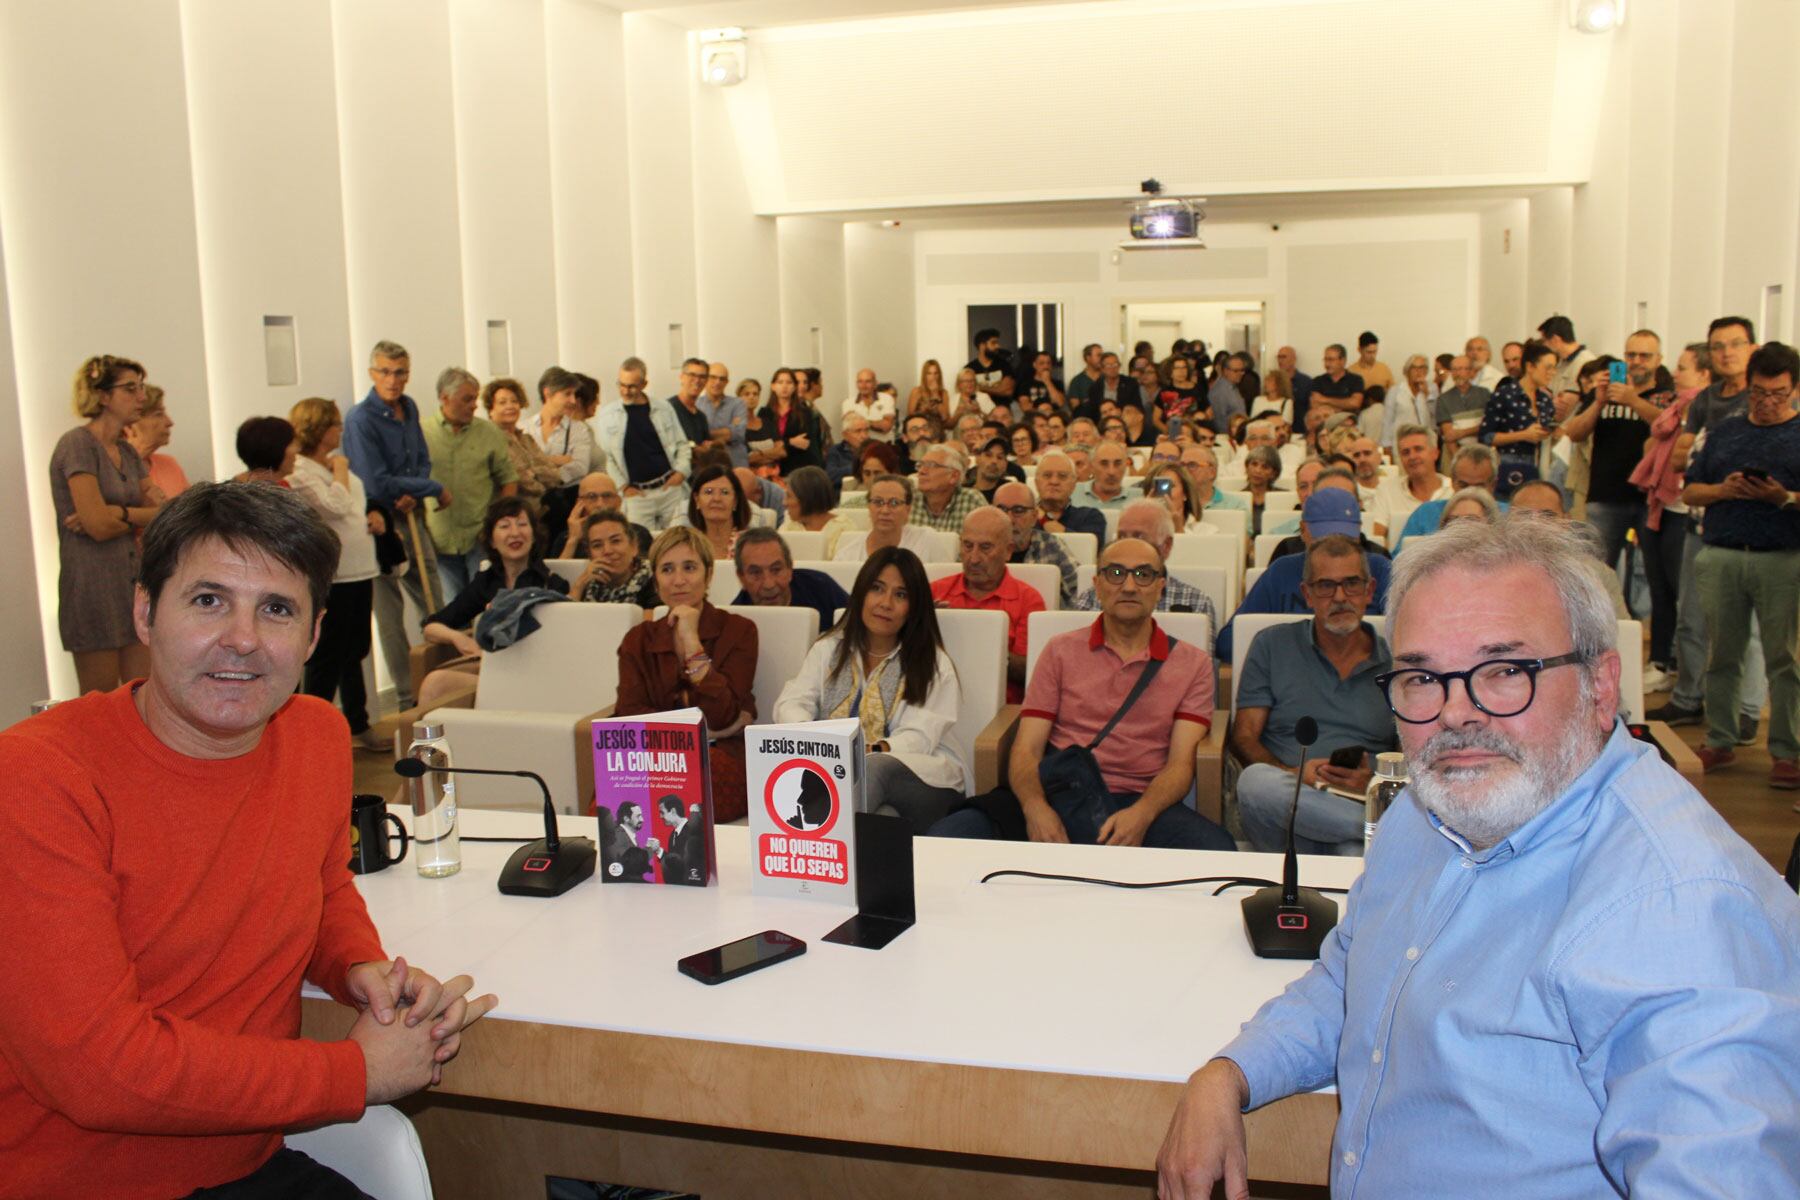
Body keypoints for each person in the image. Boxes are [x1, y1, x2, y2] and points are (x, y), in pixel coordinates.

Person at [1155, 515, 1800, 1200]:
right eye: (1421, 677)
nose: (1456, 714)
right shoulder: (1426, 810)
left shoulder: (1677, 905)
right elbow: (1353, 976)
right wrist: (1229, 1074)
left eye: (1504, 671)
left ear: (1601, 684)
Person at [0, 481, 495, 1198]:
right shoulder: (39, 777)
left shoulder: (316, 737)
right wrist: (352, 1075)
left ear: (314, 635)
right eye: (208, 601)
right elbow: (94, 1069)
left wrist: (356, 965)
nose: (242, 638)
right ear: (145, 611)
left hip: (246, 1165)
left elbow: (321, 883)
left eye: (276, 609)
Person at [929, 535, 1233, 850]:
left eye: (1143, 575)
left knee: (1219, 851)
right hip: (1060, 787)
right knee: (948, 836)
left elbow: (1180, 765)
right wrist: (1035, 809)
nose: (1129, 586)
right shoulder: (1060, 650)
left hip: (1142, 798)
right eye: (1115, 573)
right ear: (1097, 585)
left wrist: (1142, 814)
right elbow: (1027, 749)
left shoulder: (1191, 663)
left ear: (1161, 586)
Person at [774, 547, 969, 833]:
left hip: (925, 783)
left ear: (914, 607)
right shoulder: (829, 649)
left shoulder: (933, 662)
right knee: (883, 817)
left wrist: (863, 751)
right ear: (861, 593)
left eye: (901, 595)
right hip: (841, 776)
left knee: (874, 767)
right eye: (877, 589)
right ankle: (832, 862)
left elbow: (918, 738)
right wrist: (817, 739)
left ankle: (812, 843)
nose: (886, 603)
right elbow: (790, 703)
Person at [1232, 535, 1398, 856]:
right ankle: (1384, 830)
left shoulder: (1398, 659)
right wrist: (1293, 775)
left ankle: (1366, 830)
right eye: (1325, 586)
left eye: (1351, 584)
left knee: (1351, 854)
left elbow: (1412, 755)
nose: (1339, 597)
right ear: (1307, 594)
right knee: (1254, 783)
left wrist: (1371, 781)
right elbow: (1244, 738)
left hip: (1360, 795)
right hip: (1284, 807)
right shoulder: (1271, 645)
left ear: (1369, 591)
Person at [1682, 342, 1800, 788]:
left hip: (1782, 557)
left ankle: (1788, 752)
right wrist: (1724, 490)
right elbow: (1690, 492)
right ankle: (1720, 740)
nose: (1768, 403)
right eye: (1758, 393)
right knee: (1723, 654)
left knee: (1784, 659)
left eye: (1778, 394)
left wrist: (1783, 497)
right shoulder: (1725, 431)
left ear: (1795, 389)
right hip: (1724, 551)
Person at [615, 527, 759, 822]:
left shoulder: (740, 630)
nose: (679, 580)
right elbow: (629, 715)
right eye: (667, 569)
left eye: (689, 568)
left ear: (708, 575)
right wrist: (700, 733)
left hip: (719, 760)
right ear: (655, 580)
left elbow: (723, 715)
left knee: (681, 801)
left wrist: (692, 643)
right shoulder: (637, 640)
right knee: (614, 800)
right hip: (652, 761)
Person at [51, 354, 165, 693]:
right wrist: (121, 515)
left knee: (140, 694)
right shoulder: (77, 444)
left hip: (132, 582)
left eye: (141, 387)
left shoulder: (128, 453)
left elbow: (163, 513)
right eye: (130, 388)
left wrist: (117, 513)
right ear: (102, 396)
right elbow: (97, 525)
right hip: (91, 585)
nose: (141, 397)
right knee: (98, 702)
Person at [344, 339, 447, 708]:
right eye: (385, 371)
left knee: (433, 599)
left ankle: (445, 680)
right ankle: (408, 696)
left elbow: (421, 458)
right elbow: (374, 481)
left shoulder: (409, 406)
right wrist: (429, 488)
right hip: (381, 524)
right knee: (389, 614)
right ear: (372, 374)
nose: (393, 379)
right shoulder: (360, 419)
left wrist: (416, 491)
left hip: (411, 515)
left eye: (400, 372)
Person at [288, 397, 385, 751]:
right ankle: (311, 734)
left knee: (355, 649)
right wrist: (342, 468)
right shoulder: (300, 471)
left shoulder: (330, 465)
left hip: (361, 569)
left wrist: (374, 515)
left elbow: (355, 505)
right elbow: (336, 505)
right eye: (334, 424)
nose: (340, 430)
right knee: (327, 654)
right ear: (317, 428)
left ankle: (357, 724)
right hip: (335, 575)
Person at [415, 497, 570, 709]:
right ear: (491, 540)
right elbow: (431, 626)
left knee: (436, 685)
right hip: (492, 669)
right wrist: (459, 638)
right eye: (505, 526)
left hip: (531, 677)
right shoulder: (487, 581)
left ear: (534, 535)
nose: (515, 533)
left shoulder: (550, 585)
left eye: (522, 524)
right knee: (434, 685)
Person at [1216, 490, 1393, 661]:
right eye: (1323, 539)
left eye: (1345, 538)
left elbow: (1404, 637)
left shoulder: (1380, 568)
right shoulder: (1281, 571)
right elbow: (1230, 641)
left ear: (1360, 532)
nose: (1334, 547)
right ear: (1302, 530)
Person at [930, 507, 1046, 703]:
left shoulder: (1028, 600)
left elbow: (1032, 671)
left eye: (985, 548)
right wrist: (925, 629)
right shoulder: (934, 592)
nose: (973, 558)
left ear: (1008, 551)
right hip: (935, 701)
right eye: (967, 546)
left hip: (1001, 710)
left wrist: (976, 641)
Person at [1070, 499, 1218, 652]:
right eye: (1121, 536)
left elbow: (1200, 667)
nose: (1128, 545)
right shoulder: (1091, 597)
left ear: (1166, 546)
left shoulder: (1196, 602)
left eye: (1138, 537)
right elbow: (1078, 657)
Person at [423, 366, 519, 599]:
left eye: (475, 398)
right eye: (467, 399)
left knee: (485, 604)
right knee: (451, 608)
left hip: (480, 536)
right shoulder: (422, 433)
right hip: (438, 538)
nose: (474, 405)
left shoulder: (489, 433)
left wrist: (497, 523)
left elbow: (509, 480)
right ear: (445, 398)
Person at [595, 356, 691, 533]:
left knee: (679, 539)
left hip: (669, 488)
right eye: (621, 384)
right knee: (640, 546)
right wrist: (623, 487)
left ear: (644, 384)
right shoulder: (607, 414)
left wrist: (681, 473)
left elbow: (682, 444)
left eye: (631, 386)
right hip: (636, 495)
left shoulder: (663, 408)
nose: (625, 391)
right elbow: (607, 456)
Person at [1507, 479, 1629, 618]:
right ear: (1508, 521)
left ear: (1566, 521)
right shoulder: (1495, 572)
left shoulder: (1599, 575)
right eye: (1525, 515)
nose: (1536, 524)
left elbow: (1624, 634)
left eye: (1548, 515)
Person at [732, 527, 849, 633]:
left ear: (790, 569)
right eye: (756, 573)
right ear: (741, 578)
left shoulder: (821, 587)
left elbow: (858, 624)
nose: (769, 584)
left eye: (776, 570)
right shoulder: (734, 619)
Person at [1392, 443, 1505, 550]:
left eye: (1479, 487)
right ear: (1452, 482)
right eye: (1463, 485)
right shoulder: (1424, 514)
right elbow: (1397, 562)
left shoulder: (1510, 517)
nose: (1471, 493)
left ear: (1493, 485)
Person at [483, 376, 562, 511]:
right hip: (509, 513)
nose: (510, 406)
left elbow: (555, 476)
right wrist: (541, 482)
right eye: (502, 402)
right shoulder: (491, 441)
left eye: (514, 401)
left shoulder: (527, 439)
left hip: (540, 512)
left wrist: (532, 472)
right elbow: (520, 480)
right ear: (491, 410)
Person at [994, 481, 1078, 608]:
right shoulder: (976, 548)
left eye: (1018, 510)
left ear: (1034, 517)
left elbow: (1080, 596)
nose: (1009, 519)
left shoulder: (1052, 546)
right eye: (1001, 510)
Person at [1369, 425, 1452, 548]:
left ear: (1435, 453)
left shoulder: (1453, 490)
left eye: (1418, 449)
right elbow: (1377, 540)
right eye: (1405, 452)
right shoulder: (1387, 491)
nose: (1412, 457)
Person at [836, 474, 936, 562]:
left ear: (908, 510)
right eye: (877, 502)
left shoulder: (926, 541)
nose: (885, 511)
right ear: (869, 507)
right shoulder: (847, 556)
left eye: (894, 503)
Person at [573, 508, 658, 608]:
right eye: (597, 545)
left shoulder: (655, 582)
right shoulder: (588, 584)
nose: (608, 551)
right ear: (590, 555)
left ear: (634, 546)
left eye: (615, 541)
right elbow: (565, 621)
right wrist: (579, 585)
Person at [527, 366, 594, 487]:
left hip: (564, 499)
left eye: (574, 394)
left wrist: (538, 470)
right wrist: (558, 460)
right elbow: (520, 466)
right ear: (547, 393)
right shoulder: (524, 428)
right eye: (567, 394)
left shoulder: (579, 429)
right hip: (531, 500)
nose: (573, 400)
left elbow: (580, 467)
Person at [757, 365, 825, 477]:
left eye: (789, 382)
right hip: (769, 469)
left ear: (794, 387)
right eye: (780, 382)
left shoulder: (805, 412)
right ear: (773, 386)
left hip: (796, 467)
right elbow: (764, 443)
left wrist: (780, 444)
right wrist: (790, 442)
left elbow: (804, 443)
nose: (784, 386)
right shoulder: (765, 413)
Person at [124, 384, 188, 499]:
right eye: (158, 414)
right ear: (130, 425)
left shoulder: (169, 464)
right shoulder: (110, 473)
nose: (170, 422)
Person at [683, 463, 753, 563]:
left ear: (735, 501)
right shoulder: (687, 545)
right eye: (709, 492)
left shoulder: (751, 545)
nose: (716, 499)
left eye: (725, 492)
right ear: (697, 500)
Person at [1435, 354, 1492, 471]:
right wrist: (1460, 463)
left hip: (1482, 454)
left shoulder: (1484, 394)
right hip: (1454, 456)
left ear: (1471, 372)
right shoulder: (1443, 399)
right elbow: (1450, 436)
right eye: (1454, 370)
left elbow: (1488, 427)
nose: (1458, 373)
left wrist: (1461, 433)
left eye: (1463, 369)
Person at [777, 463, 849, 556]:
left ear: (807, 498)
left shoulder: (844, 529)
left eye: (789, 496)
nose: (784, 503)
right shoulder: (789, 524)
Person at [910, 442, 984, 531]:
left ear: (954, 476)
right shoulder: (909, 498)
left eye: (932, 465)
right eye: (920, 465)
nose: (921, 471)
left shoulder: (972, 500)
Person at [1383, 355, 1437, 452]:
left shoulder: (1432, 388)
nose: (1418, 371)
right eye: (1414, 368)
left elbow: (1436, 415)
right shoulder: (1395, 391)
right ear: (1407, 371)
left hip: (1425, 442)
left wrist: (1427, 394)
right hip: (1401, 442)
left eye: (1422, 368)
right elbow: (1387, 420)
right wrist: (1387, 444)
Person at [1141, 461, 1206, 532]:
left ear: (1185, 493)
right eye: (1157, 487)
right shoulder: (1136, 530)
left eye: (1170, 486)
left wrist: (1178, 530)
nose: (1164, 495)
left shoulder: (1206, 531)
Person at [1307, 344, 1365, 422]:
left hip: (1348, 426)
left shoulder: (1356, 380)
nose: (1327, 364)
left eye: (1331, 360)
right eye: (1325, 360)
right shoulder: (1317, 381)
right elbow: (1315, 405)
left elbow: (1355, 403)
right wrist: (1344, 407)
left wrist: (1324, 400)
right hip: (1324, 426)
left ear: (1343, 361)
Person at [666, 357, 712, 452]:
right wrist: (695, 448)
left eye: (702, 377)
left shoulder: (701, 417)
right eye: (692, 375)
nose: (697, 380)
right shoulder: (667, 409)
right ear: (681, 377)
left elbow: (705, 445)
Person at [842, 367, 896, 441]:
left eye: (868, 381)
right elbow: (850, 430)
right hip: (859, 448)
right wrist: (876, 423)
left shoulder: (887, 399)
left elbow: (886, 427)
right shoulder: (847, 403)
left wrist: (862, 422)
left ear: (875, 383)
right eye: (860, 382)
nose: (863, 386)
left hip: (883, 447)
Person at [1240, 445, 1283, 536]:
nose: (1258, 470)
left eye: (1265, 467)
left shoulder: (1283, 497)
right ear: (1247, 467)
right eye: (1254, 464)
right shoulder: (1236, 499)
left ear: (1274, 473)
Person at [967, 328, 1016, 407]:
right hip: (979, 410)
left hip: (1002, 410)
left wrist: (979, 387)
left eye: (997, 343)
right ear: (982, 346)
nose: (998, 346)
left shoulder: (1004, 365)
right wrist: (999, 389)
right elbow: (967, 392)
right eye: (993, 343)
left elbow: (1008, 391)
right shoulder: (970, 368)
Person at [907, 359, 952, 426]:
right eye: (929, 373)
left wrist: (935, 394)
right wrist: (923, 409)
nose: (933, 377)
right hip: (919, 429)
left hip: (937, 430)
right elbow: (909, 417)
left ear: (939, 375)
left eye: (935, 373)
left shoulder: (944, 393)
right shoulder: (916, 391)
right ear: (924, 375)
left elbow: (945, 418)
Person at [1067, 343, 1105, 408]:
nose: (1102, 359)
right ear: (1088, 358)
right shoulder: (1077, 381)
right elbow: (1075, 407)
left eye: (1103, 356)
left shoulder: (1108, 378)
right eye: (1098, 355)